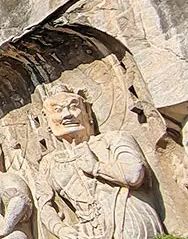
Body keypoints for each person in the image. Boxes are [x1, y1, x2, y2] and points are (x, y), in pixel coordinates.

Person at [36, 85, 164, 238]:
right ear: (47, 119)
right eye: (57, 110)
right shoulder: (49, 163)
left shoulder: (113, 139)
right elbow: (43, 205)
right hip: (85, 231)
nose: (67, 115)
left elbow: (134, 175)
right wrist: (60, 229)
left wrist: (97, 167)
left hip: (127, 216)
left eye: (73, 107)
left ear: (87, 112)